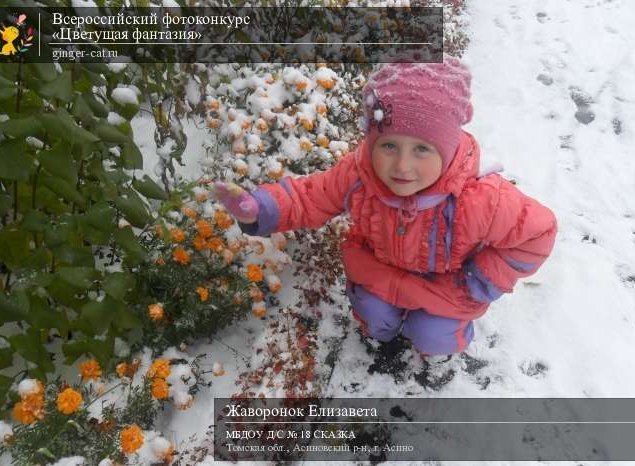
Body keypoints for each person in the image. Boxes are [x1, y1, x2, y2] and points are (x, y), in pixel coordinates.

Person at [212, 55, 557, 369]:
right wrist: (261, 208)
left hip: (444, 288)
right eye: (388, 145)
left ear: (448, 150)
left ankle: (435, 353)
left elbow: (538, 234)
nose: (402, 166)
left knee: (434, 337)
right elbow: (311, 196)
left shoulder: (482, 197)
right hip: (378, 272)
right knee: (375, 320)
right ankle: (383, 336)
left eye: (422, 149)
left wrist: (479, 281)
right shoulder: (360, 175)